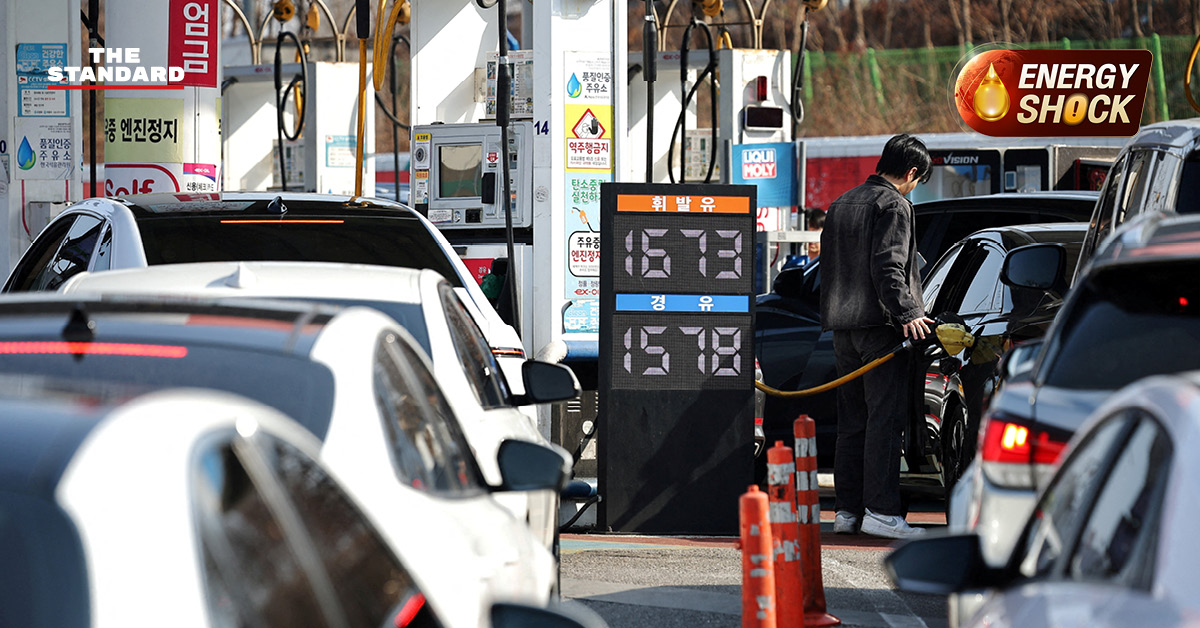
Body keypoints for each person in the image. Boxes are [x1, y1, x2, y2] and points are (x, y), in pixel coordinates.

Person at [819, 133, 934, 540]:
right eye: (917, 183)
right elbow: (888, 266)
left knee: (852, 424)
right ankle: (882, 512)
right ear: (911, 173)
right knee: (884, 424)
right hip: (880, 330)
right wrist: (908, 313)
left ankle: (847, 511)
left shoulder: (841, 203)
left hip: (842, 330)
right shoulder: (895, 205)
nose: (914, 190)